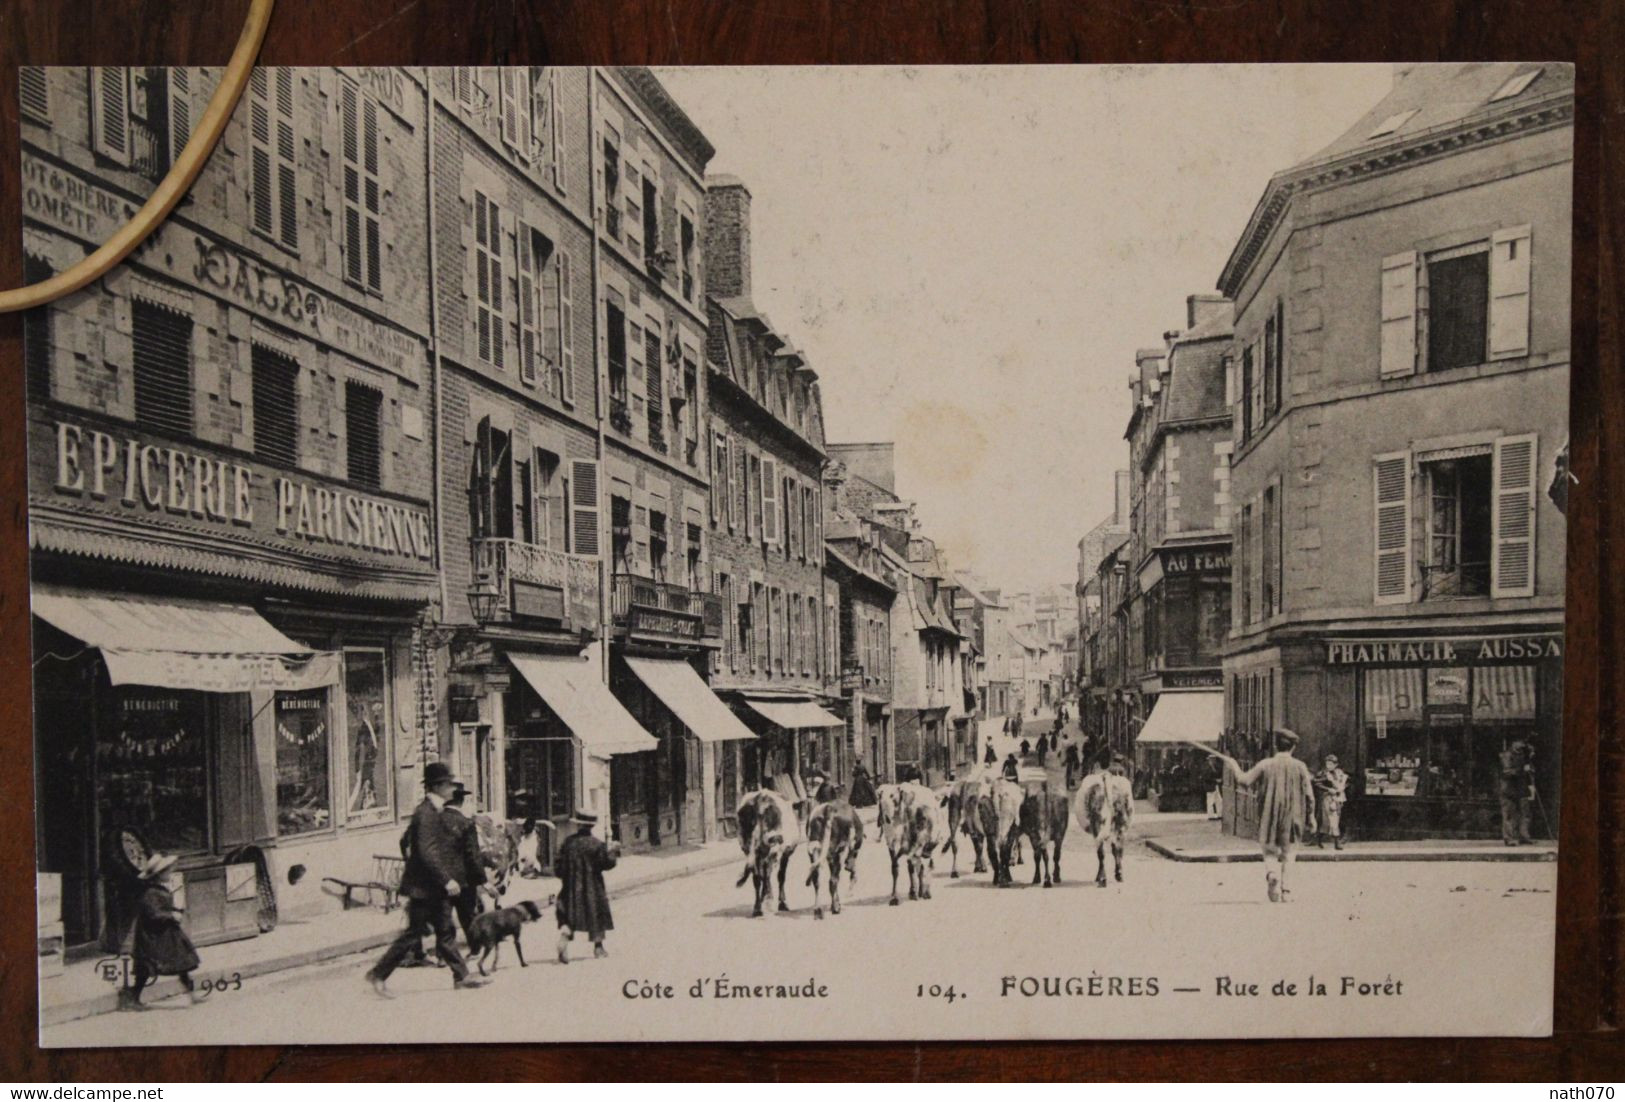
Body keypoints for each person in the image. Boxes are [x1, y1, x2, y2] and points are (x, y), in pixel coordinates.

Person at [366, 762, 485, 996]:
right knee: (416, 933)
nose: (452, 788)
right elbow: (426, 850)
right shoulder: (426, 812)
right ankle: (378, 974)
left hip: (431, 887)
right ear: (438, 786)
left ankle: (461, 976)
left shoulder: (436, 810)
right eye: (449, 783)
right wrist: (446, 880)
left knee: (445, 930)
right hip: (424, 887)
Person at [1219, 729, 1316, 903]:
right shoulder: (1300, 766)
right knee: (1290, 852)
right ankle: (1286, 891)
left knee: (1270, 851)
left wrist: (1233, 764)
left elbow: (1244, 780)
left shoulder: (1265, 764)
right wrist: (1312, 817)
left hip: (1268, 815)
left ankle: (1272, 874)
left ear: (1275, 745)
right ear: (1293, 747)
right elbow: (1309, 795)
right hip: (1293, 816)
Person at [119, 853, 200, 1010]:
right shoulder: (150, 892)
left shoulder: (157, 889)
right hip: (153, 936)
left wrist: (174, 911)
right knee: (146, 968)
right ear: (158, 875)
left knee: (182, 962)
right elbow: (154, 914)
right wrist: (171, 915)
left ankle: (192, 995)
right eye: (166, 872)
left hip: (165, 933)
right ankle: (131, 998)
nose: (169, 874)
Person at [556, 809, 621, 963]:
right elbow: (607, 864)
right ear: (591, 826)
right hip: (593, 886)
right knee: (596, 913)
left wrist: (566, 878)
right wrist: (612, 852)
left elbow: (558, 867)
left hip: (571, 887)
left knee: (570, 913)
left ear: (578, 825)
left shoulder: (568, 843)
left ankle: (565, 935)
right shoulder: (597, 844)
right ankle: (598, 947)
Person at [443, 783, 490, 943]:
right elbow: (473, 855)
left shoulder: (435, 821)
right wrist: (483, 881)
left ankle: (443, 955)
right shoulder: (466, 823)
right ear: (461, 802)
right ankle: (475, 946)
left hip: (442, 879)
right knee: (468, 914)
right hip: (464, 880)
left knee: (444, 918)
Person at [1499, 739, 1536, 846]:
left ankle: (1524, 836)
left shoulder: (1525, 756)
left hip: (1522, 788)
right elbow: (1507, 772)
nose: (1522, 744)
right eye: (1520, 742)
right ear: (1513, 743)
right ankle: (1509, 838)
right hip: (1509, 789)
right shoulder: (1506, 755)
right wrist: (1523, 769)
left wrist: (1530, 766)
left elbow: (1530, 771)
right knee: (1509, 814)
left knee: (1525, 813)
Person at [1312, 755, 1350, 849]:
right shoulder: (1323, 773)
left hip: (1339, 798)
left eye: (1331, 764)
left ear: (1336, 764)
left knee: (1330, 821)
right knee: (1333, 819)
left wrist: (1343, 787)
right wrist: (1328, 789)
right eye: (1327, 763)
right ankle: (1337, 843)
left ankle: (1318, 839)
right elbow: (1316, 783)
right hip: (1328, 798)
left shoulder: (1340, 773)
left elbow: (1347, 781)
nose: (1328, 765)